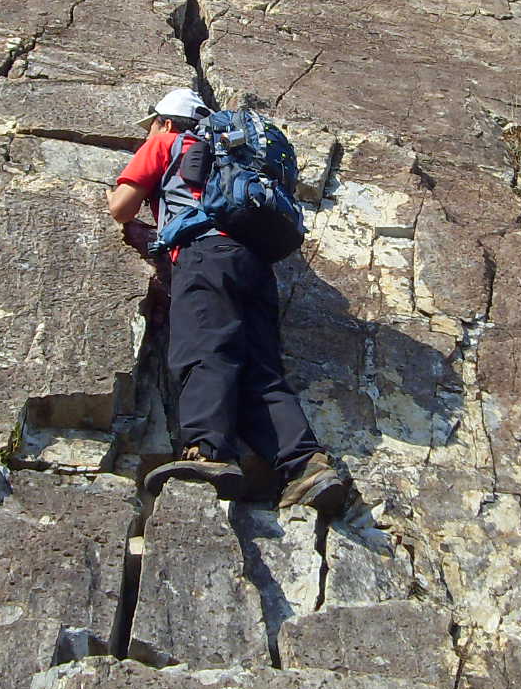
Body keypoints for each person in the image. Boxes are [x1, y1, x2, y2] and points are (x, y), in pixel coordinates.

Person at [108, 87, 353, 517]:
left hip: (204, 258)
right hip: (255, 263)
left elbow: (120, 208)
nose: (148, 132)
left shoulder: (165, 142)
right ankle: (306, 465)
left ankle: (207, 450)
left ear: (166, 122)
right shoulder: (225, 151)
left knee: (204, 348)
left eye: (151, 124)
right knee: (261, 369)